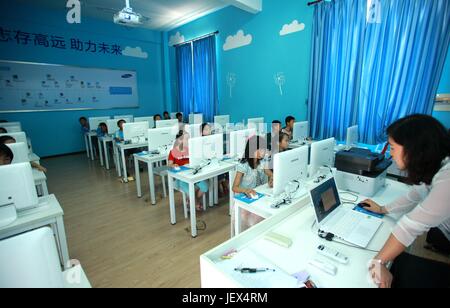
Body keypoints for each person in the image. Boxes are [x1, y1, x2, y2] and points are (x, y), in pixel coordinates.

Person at [362, 114, 450, 288]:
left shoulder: (447, 177)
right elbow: (416, 194)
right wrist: (382, 209)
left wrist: (377, 262)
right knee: (400, 262)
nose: (390, 153)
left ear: (414, 148)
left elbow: (409, 226)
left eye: (393, 148)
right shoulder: (436, 167)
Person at [232, 135, 273, 231]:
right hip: (245, 201)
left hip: (259, 197)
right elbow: (234, 187)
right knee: (256, 222)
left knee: (267, 216)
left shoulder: (262, 161)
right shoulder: (243, 165)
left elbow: (269, 173)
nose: (265, 151)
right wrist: (246, 190)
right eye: (262, 149)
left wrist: (272, 178)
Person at [168, 130, 209, 211]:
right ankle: (195, 203)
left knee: (205, 187)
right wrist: (173, 165)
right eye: (187, 139)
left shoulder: (191, 149)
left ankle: (192, 200)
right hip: (181, 178)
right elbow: (169, 164)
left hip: (193, 174)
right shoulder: (173, 151)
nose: (189, 140)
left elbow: (197, 160)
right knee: (189, 190)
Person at [201, 123, 230, 196]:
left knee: (226, 171)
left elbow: (218, 151)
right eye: (206, 129)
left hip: (215, 160)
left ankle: (222, 185)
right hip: (205, 163)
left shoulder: (214, 139)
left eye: (209, 129)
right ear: (201, 132)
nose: (209, 131)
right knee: (219, 173)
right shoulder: (199, 141)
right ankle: (220, 188)